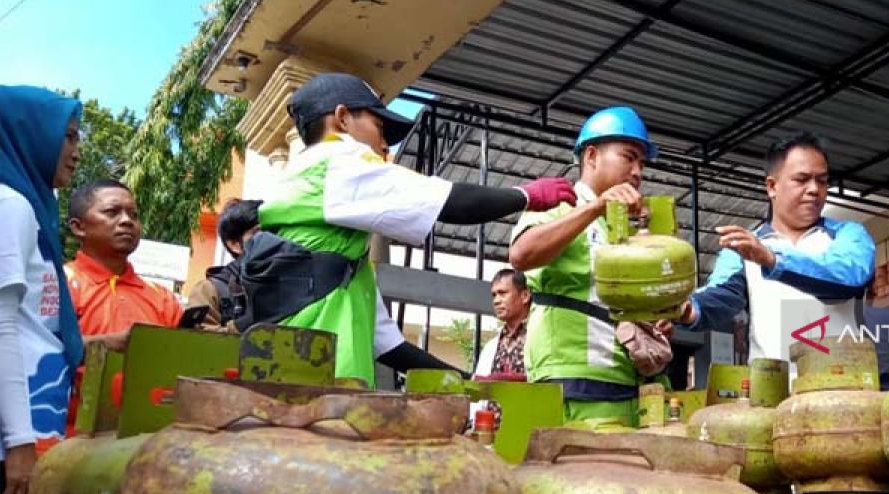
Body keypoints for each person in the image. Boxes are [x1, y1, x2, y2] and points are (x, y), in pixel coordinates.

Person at [241, 72, 575, 385]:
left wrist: (468, 381)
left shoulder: (341, 259)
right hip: (316, 390)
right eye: (378, 126)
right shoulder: (338, 160)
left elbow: (390, 347)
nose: (385, 145)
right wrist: (526, 196)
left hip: (290, 379)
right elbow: (448, 202)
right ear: (342, 118)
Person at [0, 86, 85, 494]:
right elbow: (2, 329)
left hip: (24, 427)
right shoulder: (10, 208)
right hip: (15, 437)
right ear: (27, 133)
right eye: (69, 133)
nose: (76, 150)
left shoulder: (27, 208)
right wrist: (19, 447)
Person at [509, 106, 670, 426]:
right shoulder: (560, 203)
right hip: (571, 380)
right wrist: (596, 207)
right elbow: (521, 254)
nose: (638, 171)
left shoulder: (626, 225)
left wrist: (656, 321)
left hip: (627, 381)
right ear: (592, 156)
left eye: (642, 162)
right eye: (629, 156)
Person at [678, 132, 875, 362]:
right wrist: (686, 309)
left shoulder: (849, 235)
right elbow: (722, 296)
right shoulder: (744, 249)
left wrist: (773, 260)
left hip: (842, 387)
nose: (814, 189)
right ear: (772, 186)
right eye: (802, 179)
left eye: (822, 181)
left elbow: (849, 277)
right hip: (773, 390)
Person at [65, 180, 183, 344]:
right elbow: (37, 349)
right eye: (112, 212)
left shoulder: (163, 298)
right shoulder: (60, 284)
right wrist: (106, 343)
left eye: (134, 215)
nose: (127, 221)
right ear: (78, 227)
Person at [187, 198, 261, 329]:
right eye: (258, 234)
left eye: (273, 232)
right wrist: (244, 324)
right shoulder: (209, 290)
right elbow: (197, 341)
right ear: (234, 244)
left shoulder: (288, 281)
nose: (269, 240)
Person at [474, 268, 531, 379]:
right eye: (494, 295)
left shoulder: (539, 336)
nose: (496, 301)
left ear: (525, 296)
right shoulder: (490, 347)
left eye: (502, 293)